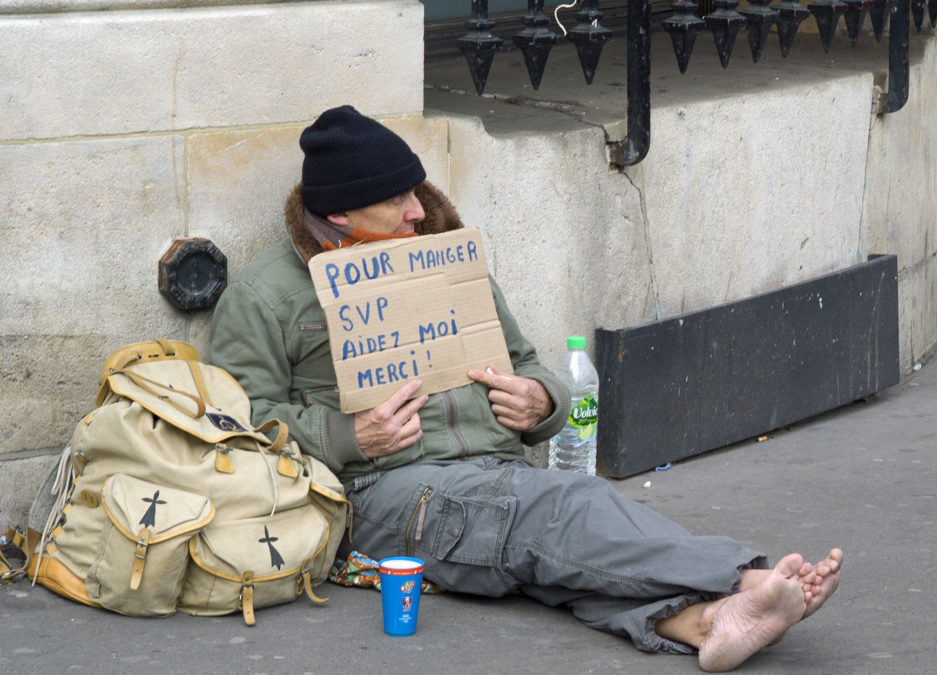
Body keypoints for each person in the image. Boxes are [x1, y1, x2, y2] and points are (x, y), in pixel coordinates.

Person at [209, 105, 842, 671]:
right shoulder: (265, 296)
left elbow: (526, 361)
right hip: (381, 492)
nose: (417, 210)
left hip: (496, 467)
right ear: (340, 212)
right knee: (560, 512)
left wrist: (541, 401)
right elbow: (237, 427)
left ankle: (705, 624)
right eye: (397, 198)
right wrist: (351, 434)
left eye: (416, 193)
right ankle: (745, 579)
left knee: (544, 546)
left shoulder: (439, 256)